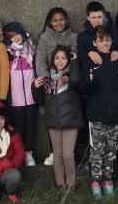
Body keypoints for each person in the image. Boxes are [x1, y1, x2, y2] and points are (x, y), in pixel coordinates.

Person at [81, 26, 118, 199]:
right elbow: (85, 89)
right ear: (94, 43)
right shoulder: (90, 61)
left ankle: (108, 180)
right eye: (101, 40)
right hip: (97, 114)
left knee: (111, 150)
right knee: (97, 150)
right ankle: (95, 181)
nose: (105, 43)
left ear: (112, 41)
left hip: (115, 114)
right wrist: (90, 79)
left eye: (107, 40)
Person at [32, 45, 83, 188]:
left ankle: (71, 184)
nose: (60, 61)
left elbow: (78, 81)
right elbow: (40, 100)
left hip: (71, 121)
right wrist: (35, 87)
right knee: (57, 154)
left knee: (68, 154)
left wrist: (75, 62)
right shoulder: (47, 80)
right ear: (52, 59)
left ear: (68, 60)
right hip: (53, 122)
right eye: (57, 57)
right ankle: (60, 184)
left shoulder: (71, 77)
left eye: (64, 58)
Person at [3, 21, 40, 167]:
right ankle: (19, 154)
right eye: (12, 36)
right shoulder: (7, 52)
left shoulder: (32, 47)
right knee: (18, 127)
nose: (16, 38)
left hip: (31, 96)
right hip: (16, 98)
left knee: (31, 126)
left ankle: (29, 153)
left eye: (18, 34)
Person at [76, 1, 118, 66]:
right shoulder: (82, 36)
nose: (97, 21)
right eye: (93, 17)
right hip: (92, 73)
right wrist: (89, 53)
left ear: (104, 16)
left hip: (111, 71)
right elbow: (80, 56)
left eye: (99, 17)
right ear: (88, 18)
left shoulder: (113, 33)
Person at [35, 7, 78, 78]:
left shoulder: (73, 37)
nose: (58, 23)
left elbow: (74, 59)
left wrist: (66, 75)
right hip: (50, 79)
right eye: (55, 20)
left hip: (69, 78)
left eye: (61, 20)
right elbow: (40, 61)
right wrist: (46, 79)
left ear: (66, 20)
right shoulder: (45, 37)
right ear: (51, 22)